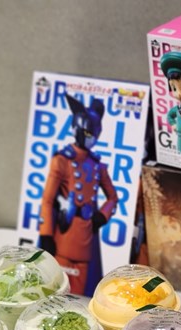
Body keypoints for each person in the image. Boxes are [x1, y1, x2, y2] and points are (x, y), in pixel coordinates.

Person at [38, 94, 118, 295]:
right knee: (55, 288)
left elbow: (113, 198)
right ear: (77, 130)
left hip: (86, 235)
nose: (92, 138)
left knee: (79, 293)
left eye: (95, 134)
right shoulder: (62, 160)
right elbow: (47, 200)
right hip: (64, 232)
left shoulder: (97, 165)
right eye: (89, 133)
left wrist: (102, 216)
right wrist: (46, 234)